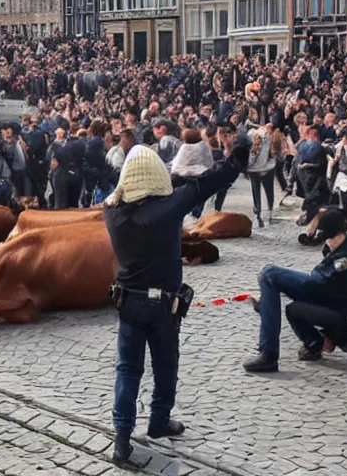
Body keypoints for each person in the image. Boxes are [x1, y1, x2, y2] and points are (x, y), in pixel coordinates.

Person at [103, 139, 251, 465]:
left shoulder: (111, 210)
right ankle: (158, 421)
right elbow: (203, 186)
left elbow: (160, 191)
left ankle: (122, 440)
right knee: (166, 363)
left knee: (127, 370)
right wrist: (233, 162)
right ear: (158, 176)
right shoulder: (167, 210)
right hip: (163, 304)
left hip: (128, 301)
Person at [244, 208, 347, 372]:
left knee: (270, 274)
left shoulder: (345, 258)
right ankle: (313, 342)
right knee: (288, 303)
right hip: (330, 299)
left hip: (335, 312)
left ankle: (269, 354)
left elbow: (316, 280)